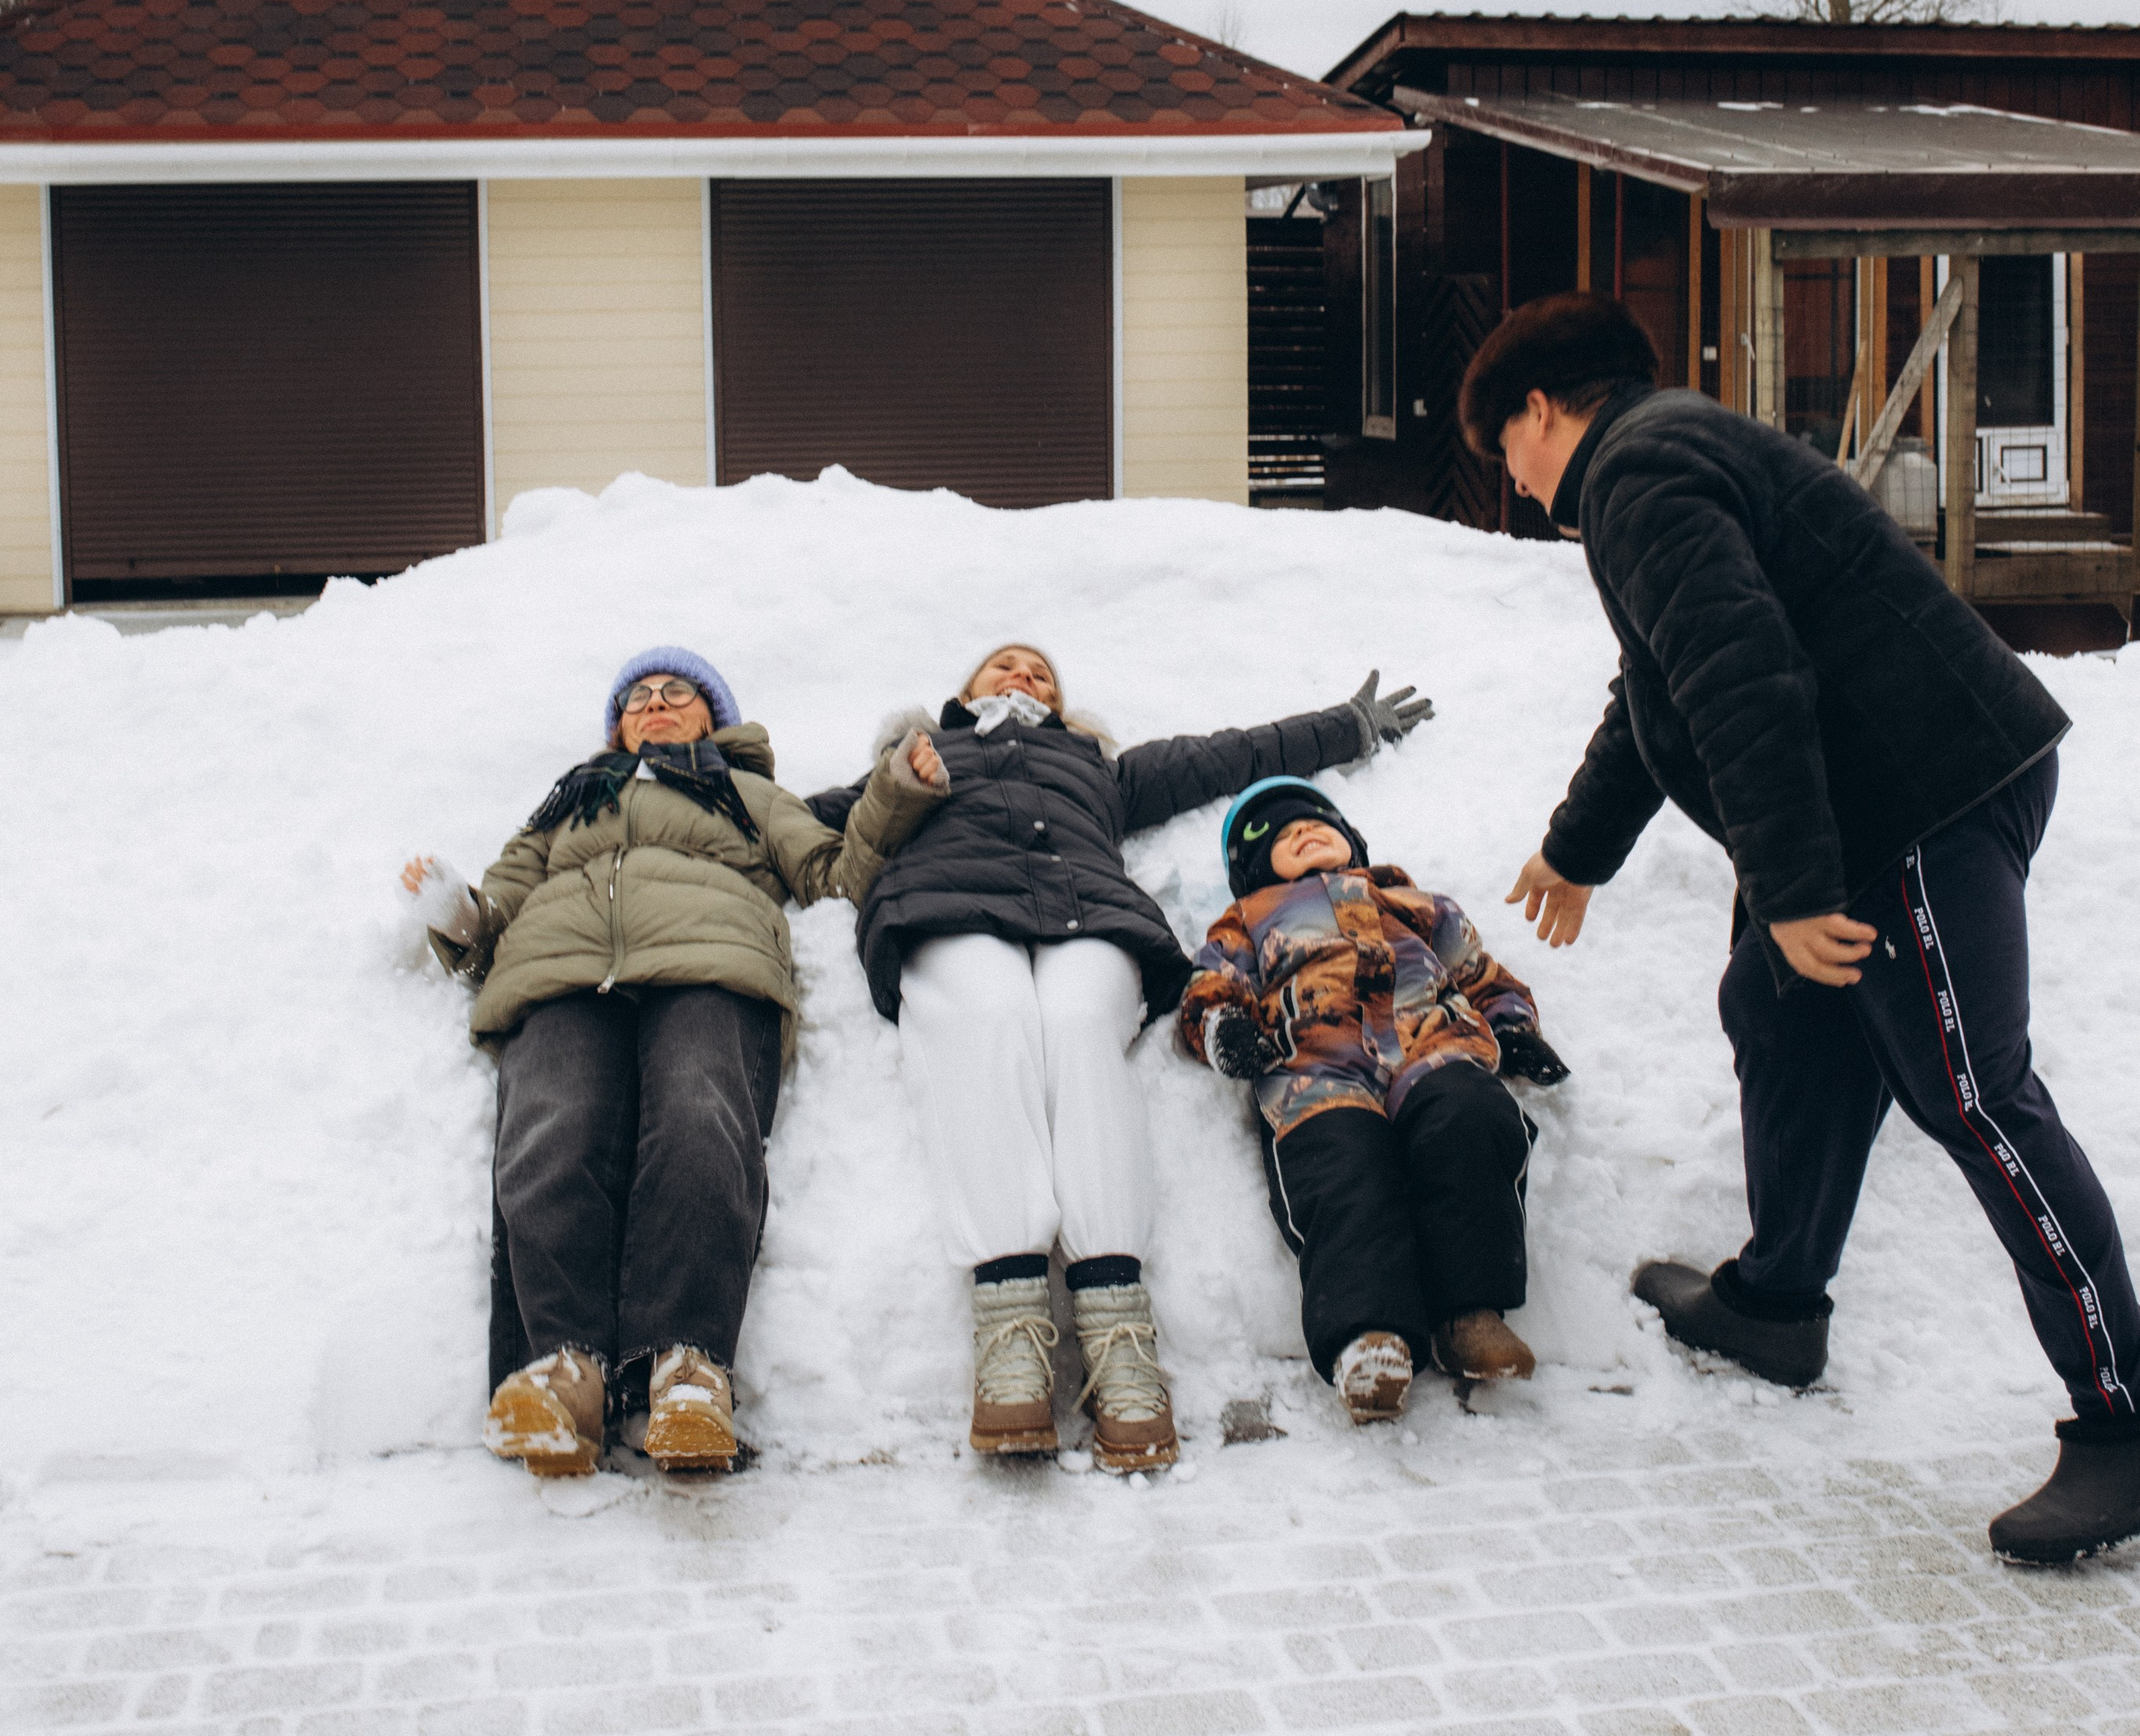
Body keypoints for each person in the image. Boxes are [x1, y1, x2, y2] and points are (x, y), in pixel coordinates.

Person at [1463, 289, 2140, 1566]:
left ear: (1540, 410)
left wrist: (1793, 889)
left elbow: (1742, 671)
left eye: (1505, 448)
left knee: (1978, 1100)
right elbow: (1666, 682)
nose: (1514, 479)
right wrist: (1578, 846)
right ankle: (1776, 1304)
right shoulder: (1665, 454)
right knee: (1784, 1018)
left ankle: (2125, 1417)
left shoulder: (1640, 474)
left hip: (1923, 800)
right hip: (1872, 807)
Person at [808, 643, 1432, 1469]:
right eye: (1005, 668)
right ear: (965, 692)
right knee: (984, 1019)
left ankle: (1117, 1325)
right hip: (943, 909)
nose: (1024, 679)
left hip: (1085, 916)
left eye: (1041, 675)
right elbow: (783, 821)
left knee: (1077, 1028)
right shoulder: (919, 758)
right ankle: (1009, 1326)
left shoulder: (1097, 768)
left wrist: (1345, 728)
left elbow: (1227, 756)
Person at [404, 644, 944, 1480]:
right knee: (550, 1131)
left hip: (713, 961)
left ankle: (686, 1369)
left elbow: (832, 874)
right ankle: (563, 1372)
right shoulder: (567, 801)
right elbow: (496, 917)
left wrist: (894, 794)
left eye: (676, 693)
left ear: (711, 718)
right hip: (560, 971)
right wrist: (457, 916)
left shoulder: (746, 792)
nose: (655, 705)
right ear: (617, 725)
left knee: (699, 1120)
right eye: (638, 698)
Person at [1180, 777, 1567, 1421]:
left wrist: (1513, 1027)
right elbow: (1211, 985)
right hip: (1317, 1067)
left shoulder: (1415, 903)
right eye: (1279, 834)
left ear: (1353, 842)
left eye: (1317, 823)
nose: (1303, 831)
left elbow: (1483, 976)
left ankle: (1470, 1312)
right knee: (1341, 1166)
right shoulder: (1249, 918)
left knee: (1468, 1119)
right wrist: (1225, 1029)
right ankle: (1369, 1336)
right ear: (1250, 870)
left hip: (1431, 1047)